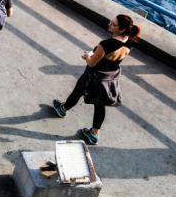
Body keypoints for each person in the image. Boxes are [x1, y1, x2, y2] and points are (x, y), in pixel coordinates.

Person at [52, 14, 141, 145]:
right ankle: (94, 133)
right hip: (109, 76)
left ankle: (62, 109)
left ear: (121, 29)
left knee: (78, 91)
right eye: (111, 21)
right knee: (100, 105)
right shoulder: (129, 41)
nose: (109, 24)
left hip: (93, 75)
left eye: (113, 24)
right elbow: (112, 58)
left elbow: (92, 63)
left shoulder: (106, 44)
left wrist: (88, 55)